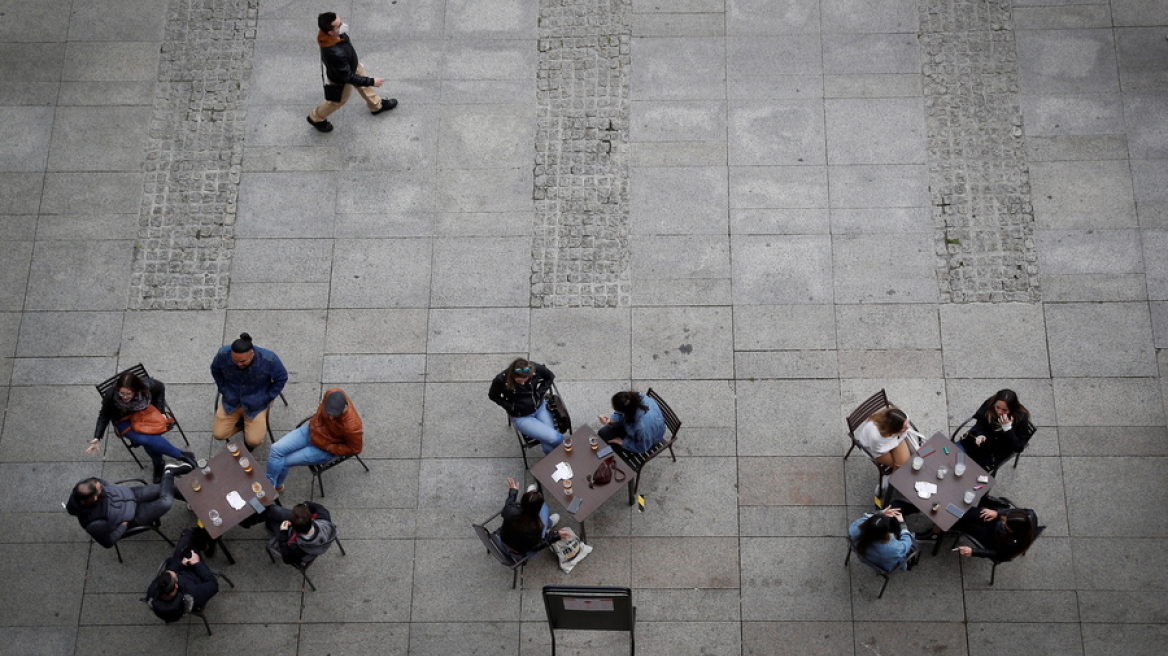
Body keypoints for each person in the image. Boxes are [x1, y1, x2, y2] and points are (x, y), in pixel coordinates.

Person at [88, 371, 196, 483]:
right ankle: (181, 455)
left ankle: (159, 464)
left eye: (128, 394)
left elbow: (160, 388)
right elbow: (104, 415)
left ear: (136, 390)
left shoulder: (146, 386)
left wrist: (161, 411)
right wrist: (97, 437)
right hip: (123, 419)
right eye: (121, 393)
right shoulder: (111, 395)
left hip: (144, 412)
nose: (125, 397)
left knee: (148, 441)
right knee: (144, 439)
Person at [306, 12, 397, 132]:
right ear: (330, 32)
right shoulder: (334, 53)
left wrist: (355, 64)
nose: (343, 25)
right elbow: (348, 77)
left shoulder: (334, 35)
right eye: (339, 25)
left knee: (363, 85)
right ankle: (316, 118)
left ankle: (376, 105)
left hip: (349, 66)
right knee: (336, 101)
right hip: (342, 79)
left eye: (341, 21)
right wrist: (371, 81)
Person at [65, 468, 190, 548]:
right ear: (94, 498)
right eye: (100, 489)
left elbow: (100, 481)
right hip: (133, 516)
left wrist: (115, 489)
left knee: (169, 488)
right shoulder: (93, 523)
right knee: (166, 502)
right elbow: (108, 542)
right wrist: (124, 525)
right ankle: (168, 473)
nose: (101, 486)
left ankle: (192, 502)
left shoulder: (84, 485)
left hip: (130, 494)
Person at [266, 389, 363, 491]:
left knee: (283, 462)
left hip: (324, 448)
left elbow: (355, 449)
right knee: (275, 449)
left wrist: (329, 447)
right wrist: (316, 423)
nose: (330, 416)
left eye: (334, 415)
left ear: (344, 408)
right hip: (312, 431)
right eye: (328, 412)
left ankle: (275, 487)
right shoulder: (332, 392)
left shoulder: (352, 427)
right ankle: (270, 485)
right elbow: (320, 408)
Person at [210, 332, 288, 449]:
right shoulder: (222, 355)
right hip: (231, 400)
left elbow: (281, 378)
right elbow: (215, 370)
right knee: (218, 435)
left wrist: (267, 397)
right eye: (235, 361)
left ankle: (248, 426)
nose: (239, 364)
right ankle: (245, 425)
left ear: (252, 354)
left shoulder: (269, 359)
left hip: (256, 403)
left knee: (254, 441)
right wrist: (224, 389)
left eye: (243, 361)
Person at [488, 358, 565, 453]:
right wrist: (511, 406)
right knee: (555, 438)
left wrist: (539, 393)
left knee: (548, 448)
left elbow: (550, 376)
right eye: (519, 381)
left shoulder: (535, 368)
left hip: (540, 407)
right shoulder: (501, 379)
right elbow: (493, 396)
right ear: (512, 375)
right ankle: (571, 453)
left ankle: (556, 462)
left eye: (525, 380)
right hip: (522, 416)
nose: (523, 383)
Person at [144, 527, 219, 623]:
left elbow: (170, 569)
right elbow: (213, 584)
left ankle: (201, 544)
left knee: (187, 537)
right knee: (190, 535)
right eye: (174, 575)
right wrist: (197, 563)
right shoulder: (193, 593)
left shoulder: (154, 590)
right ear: (175, 584)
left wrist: (181, 564)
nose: (173, 572)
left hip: (183, 568)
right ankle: (206, 545)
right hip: (195, 574)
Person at [957, 389, 1034, 470]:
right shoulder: (990, 403)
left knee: (971, 472)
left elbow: (1018, 447)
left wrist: (1008, 429)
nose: (999, 412)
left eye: (1004, 410)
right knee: (954, 457)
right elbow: (980, 420)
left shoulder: (1021, 418)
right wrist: (981, 434)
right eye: (997, 407)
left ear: (1012, 409)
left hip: (996, 452)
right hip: (977, 443)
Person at [952, 496, 1039, 562]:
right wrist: (998, 513)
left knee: (966, 525)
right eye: (1005, 519)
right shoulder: (1030, 514)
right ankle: (950, 511)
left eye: (1006, 524)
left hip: (991, 537)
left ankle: (948, 520)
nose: (1003, 521)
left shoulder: (1012, 545)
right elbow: (1011, 512)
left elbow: (998, 555)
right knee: (971, 513)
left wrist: (973, 551)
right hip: (995, 522)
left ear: (1013, 531)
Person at [499, 478, 565, 554]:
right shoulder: (535, 527)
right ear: (537, 510)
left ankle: (531, 498)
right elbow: (537, 546)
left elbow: (509, 504)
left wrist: (513, 491)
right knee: (545, 508)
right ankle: (548, 524)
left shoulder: (510, 510)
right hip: (519, 553)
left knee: (542, 511)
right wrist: (556, 536)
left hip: (503, 541)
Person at [265, 501, 338, 567]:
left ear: (293, 527)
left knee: (272, 520)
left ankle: (260, 521)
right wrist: (304, 506)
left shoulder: (295, 548)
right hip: (317, 540)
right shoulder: (323, 517)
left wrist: (283, 532)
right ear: (310, 519)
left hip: (288, 537)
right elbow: (318, 507)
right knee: (273, 510)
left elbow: (287, 559)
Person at [848, 507, 916, 571]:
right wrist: (902, 523)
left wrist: (881, 514)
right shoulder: (892, 549)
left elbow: (866, 518)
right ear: (885, 532)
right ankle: (906, 567)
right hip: (885, 565)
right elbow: (907, 543)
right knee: (912, 545)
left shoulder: (854, 529)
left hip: (865, 556)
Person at [598, 390, 665, 454]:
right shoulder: (631, 399)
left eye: (616, 409)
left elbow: (642, 447)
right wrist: (611, 420)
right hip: (633, 427)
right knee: (602, 433)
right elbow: (621, 414)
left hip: (646, 440)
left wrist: (622, 442)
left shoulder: (643, 427)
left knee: (611, 448)